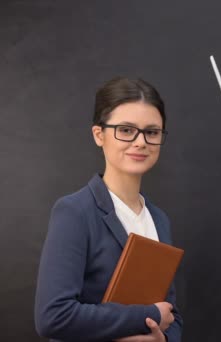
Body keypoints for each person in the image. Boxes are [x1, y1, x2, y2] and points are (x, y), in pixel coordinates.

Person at [34, 77, 183, 341]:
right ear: (99, 135)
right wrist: (149, 316)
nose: (140, 142)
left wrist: (163, 338)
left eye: (152, 132)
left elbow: (172, 314)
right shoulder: (74, 212)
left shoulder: (159, 219)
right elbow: (53, 317)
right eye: (126, 130)